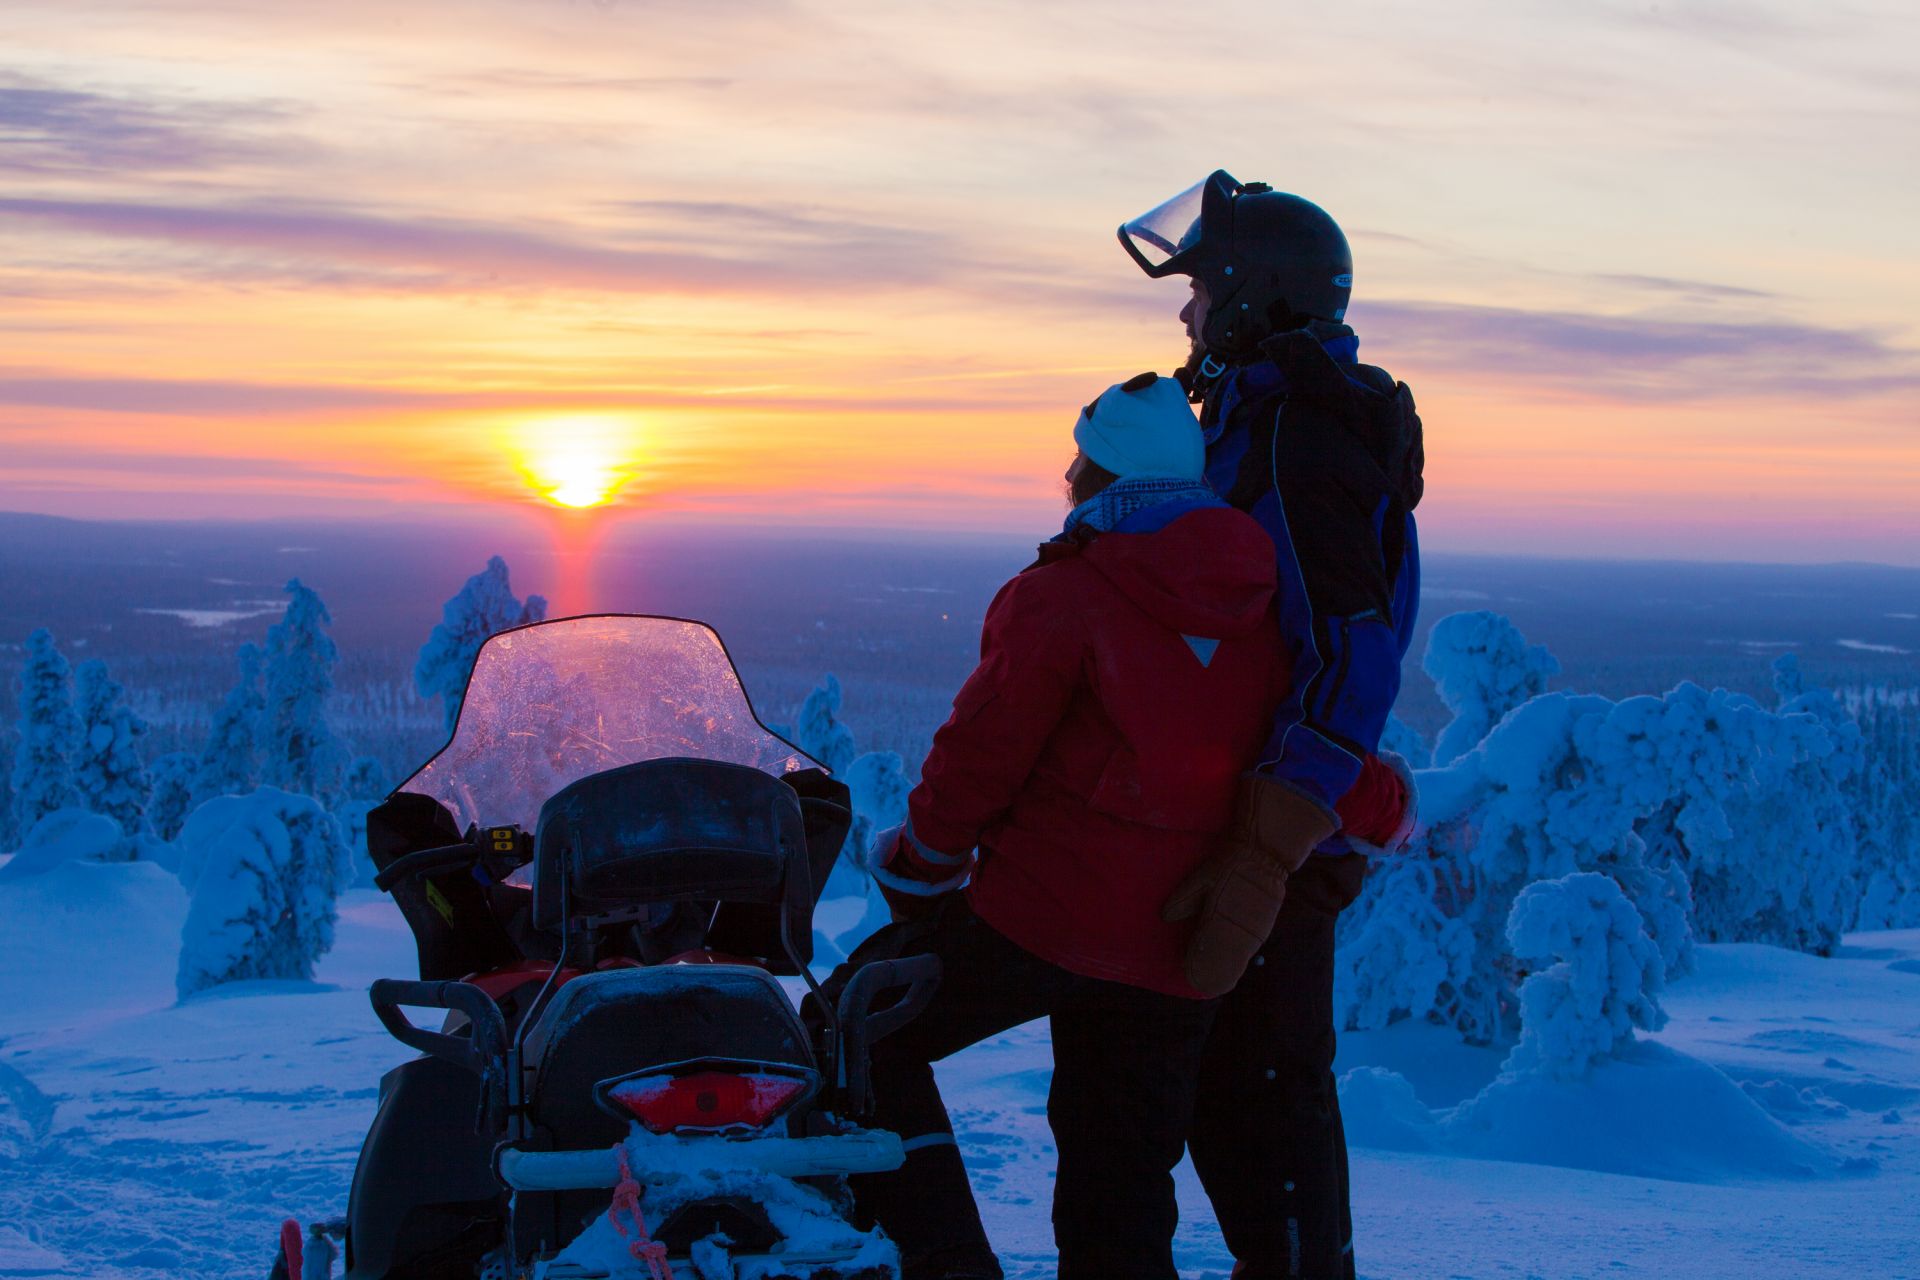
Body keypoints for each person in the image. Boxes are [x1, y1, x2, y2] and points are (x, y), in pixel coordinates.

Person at [839, 373, 1410, 1280]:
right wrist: (1389, 809)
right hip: (1176, 955)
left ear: (1095, 474)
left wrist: (919, 868)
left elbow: (976, 759)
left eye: (1077, 460)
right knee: (1120, 1187)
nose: (1068, 475)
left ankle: (945, 1260)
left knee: (852, 1032)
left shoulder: (1064, 594)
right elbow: (1308, 739)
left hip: (1038, 922)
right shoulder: (1268, 608)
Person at [1118, 171, 1426, 1279]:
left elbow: (1346, 644)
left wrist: (1269, 834)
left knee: (1266, 1086)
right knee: (1235, 1085)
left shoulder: (1298, 434)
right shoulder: (1269, 416)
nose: (1186, 314)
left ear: (1252, 296)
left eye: (1200, 292)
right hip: (1265, 811)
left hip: (1282, 829)